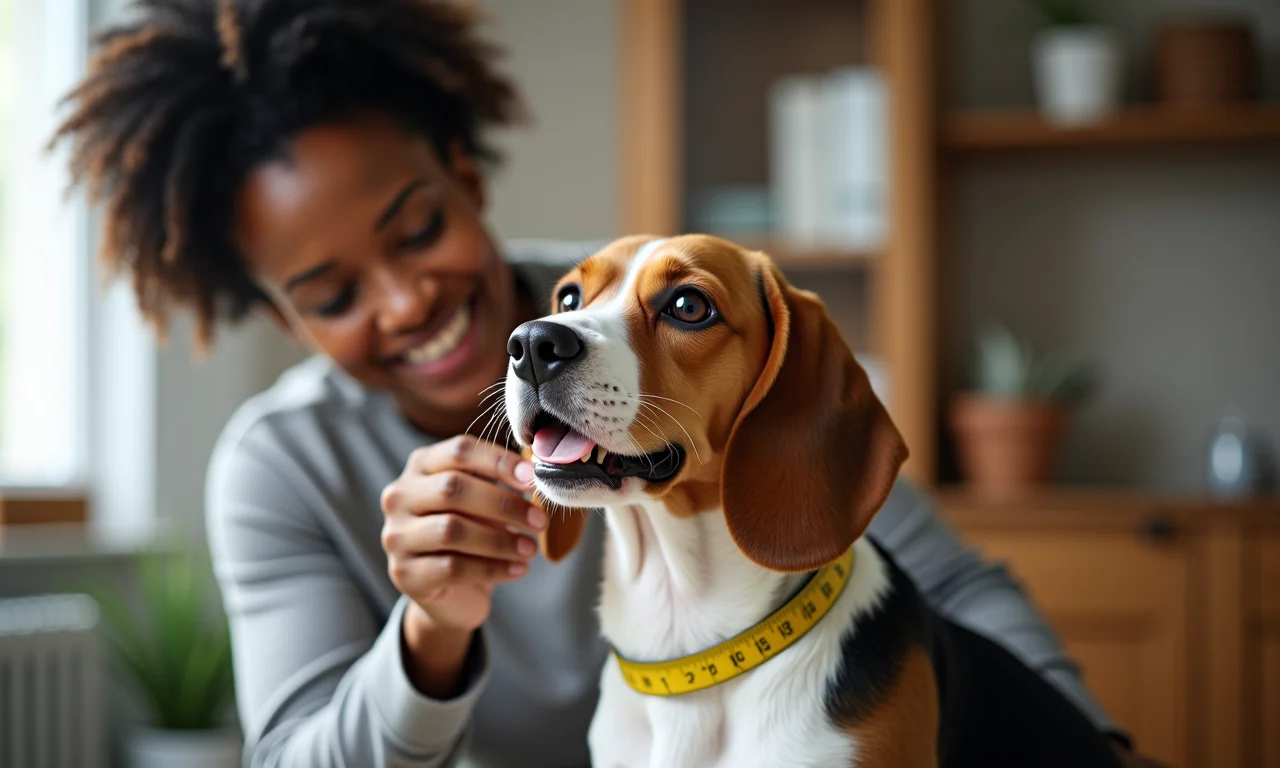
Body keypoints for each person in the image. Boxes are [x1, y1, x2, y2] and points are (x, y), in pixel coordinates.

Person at [53, 1, 1159, 766]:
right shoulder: (277, 463)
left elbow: (942, 590)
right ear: (283, 316)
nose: (403, 303)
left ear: (466, 177)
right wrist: (432, 629)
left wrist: (1084, 745)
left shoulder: (637, 309)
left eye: (420, 228)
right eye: (331, 295)